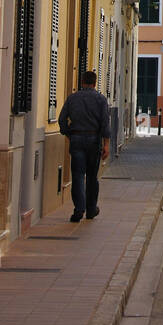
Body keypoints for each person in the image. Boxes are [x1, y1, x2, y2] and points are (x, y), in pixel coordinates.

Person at [58, 70, 111, 222]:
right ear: (94, 83)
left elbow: (62, 120)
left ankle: (79, 209)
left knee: (78, 175)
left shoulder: (72, 98)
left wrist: (69, 134)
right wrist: (106, 144)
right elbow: (105, 124)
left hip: (77, 139)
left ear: (82, 82)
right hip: (94, 140)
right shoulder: (101, 100)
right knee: (92, 177)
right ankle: (91, 209)